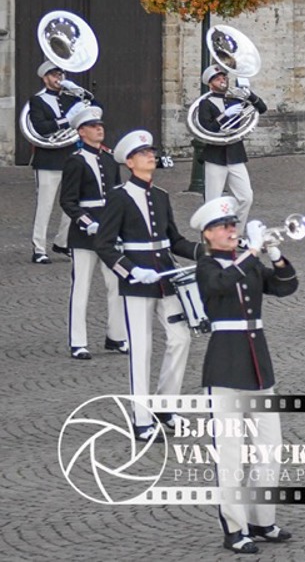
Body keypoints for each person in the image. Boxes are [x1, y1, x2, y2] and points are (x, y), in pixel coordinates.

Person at [191, 196, 297, 554]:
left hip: (258, 367)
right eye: (224, 226)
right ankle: (235, 529)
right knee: (231, 455)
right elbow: (219, 285)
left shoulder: (247, 263)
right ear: (208, 234)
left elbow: (285, 285)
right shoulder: (206, 266)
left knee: (270, 449)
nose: (231, 230)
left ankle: (261, 519)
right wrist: (251, 252)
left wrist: (274, 253)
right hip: (225, 366)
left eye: (233, 225)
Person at [94, 129, 201, 439]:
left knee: (181, 339)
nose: (150, 156)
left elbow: (175, 240)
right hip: (137, 282)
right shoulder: (119, 197)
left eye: (152, 152)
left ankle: (165, 406)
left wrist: (206, 251)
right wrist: (130, 271)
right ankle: (141, 418)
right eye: (143, 154)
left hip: (166, 277)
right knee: (140, 349)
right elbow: (104, 244)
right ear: (129, 162)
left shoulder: (161, 195)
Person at [60, 105, 126, 359]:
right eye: (92, 126)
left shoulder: (109, 159)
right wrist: (86, 221)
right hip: (84, 234)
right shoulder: (75, 161)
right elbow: (68, 201)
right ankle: (78, 341)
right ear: (81, 132)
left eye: (100, 125)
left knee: (116, 284)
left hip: (109, 231)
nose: (99, 129)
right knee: (81, 286)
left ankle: (116, 336)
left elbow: (117, 196)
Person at [26, 59, 84, 263]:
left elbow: (94, 110)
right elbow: (41, 127)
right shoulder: (37, 100)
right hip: (47, 160)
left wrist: (80, 92)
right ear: (45, 78)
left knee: (72, 204)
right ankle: (39, 248)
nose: (58, 78)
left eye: (60, 74)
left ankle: (63, 242)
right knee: (45, 205)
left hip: (70, 157)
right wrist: (66, 121)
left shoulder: (71, 99)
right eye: (54, 75)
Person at [196, 64, 268, 221]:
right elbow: (207, 128)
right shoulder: (205, 103)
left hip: (235, 153)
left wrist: (250, 95)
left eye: (223, 77)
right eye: (217, 79)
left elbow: (262, 108)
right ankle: (211, 234)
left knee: (246, 198)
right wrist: (224, 115)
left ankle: (236, 232)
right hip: (215, 155)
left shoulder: (235, 99)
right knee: (212, 201)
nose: (222, 80)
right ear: (210, 84)